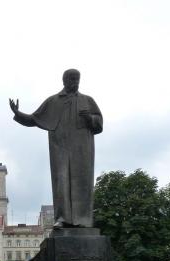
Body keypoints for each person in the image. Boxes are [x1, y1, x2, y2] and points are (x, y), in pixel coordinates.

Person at [9, 69, 103, 228]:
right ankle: (62, 218)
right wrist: (17, 113)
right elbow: (34, 119)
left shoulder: (88, 100)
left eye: (77, 79)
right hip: (60, 147)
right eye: (72, 79)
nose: (75, 82)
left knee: (83, 182)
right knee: (61, 181)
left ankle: (83, 220)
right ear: (64, 80)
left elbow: (99, 123)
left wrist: (89, 118)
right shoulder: (53, 101)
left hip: (82, 149)